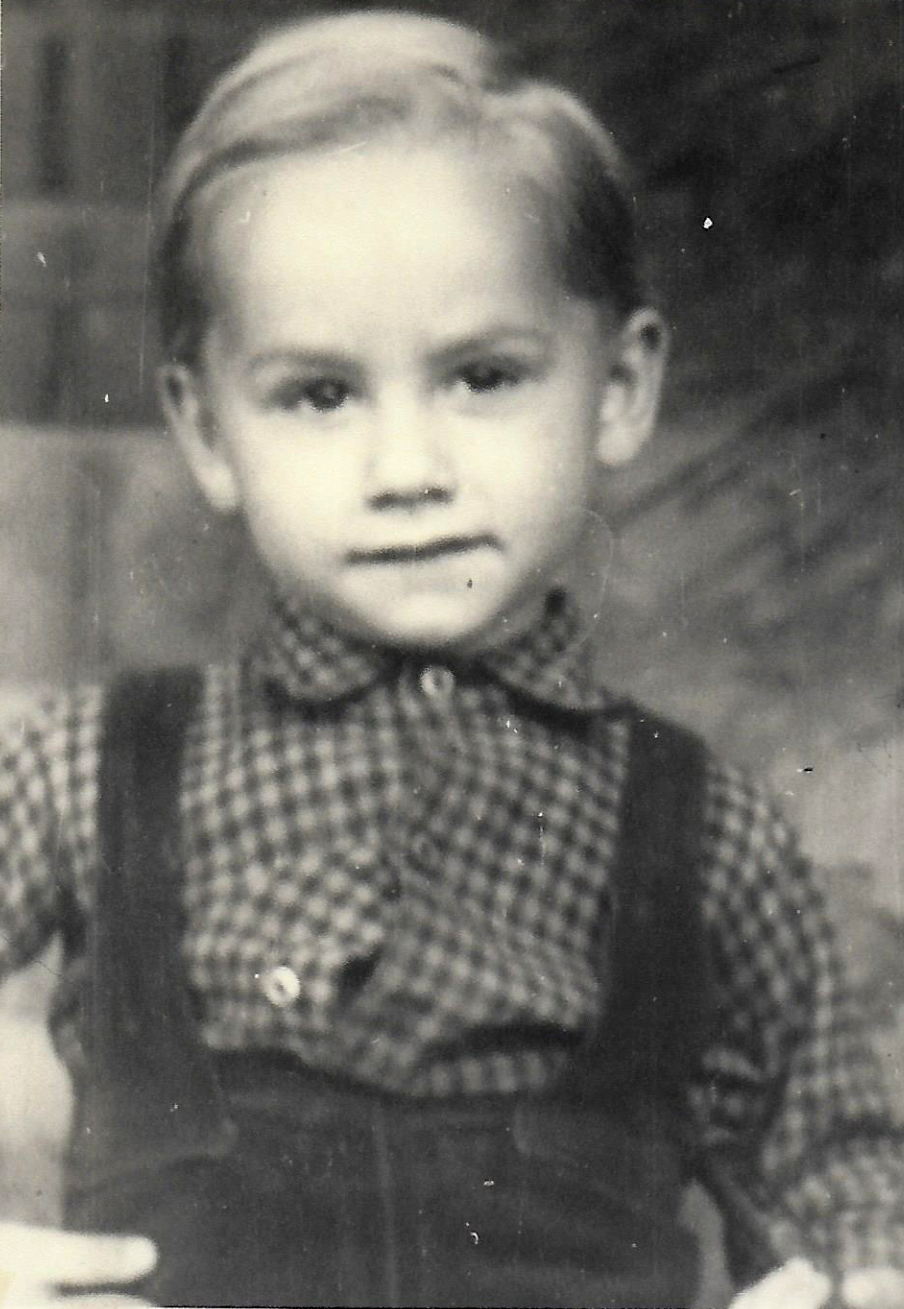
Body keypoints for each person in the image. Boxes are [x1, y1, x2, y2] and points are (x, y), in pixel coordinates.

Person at [0, 10, 902, 1307]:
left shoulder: (705, 833)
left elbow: (844, 1163)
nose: (408, 468)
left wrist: (855, 1282)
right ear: (205, 430)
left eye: (483, 376)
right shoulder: (93, 770)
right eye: (320, 394)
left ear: (618, 390)